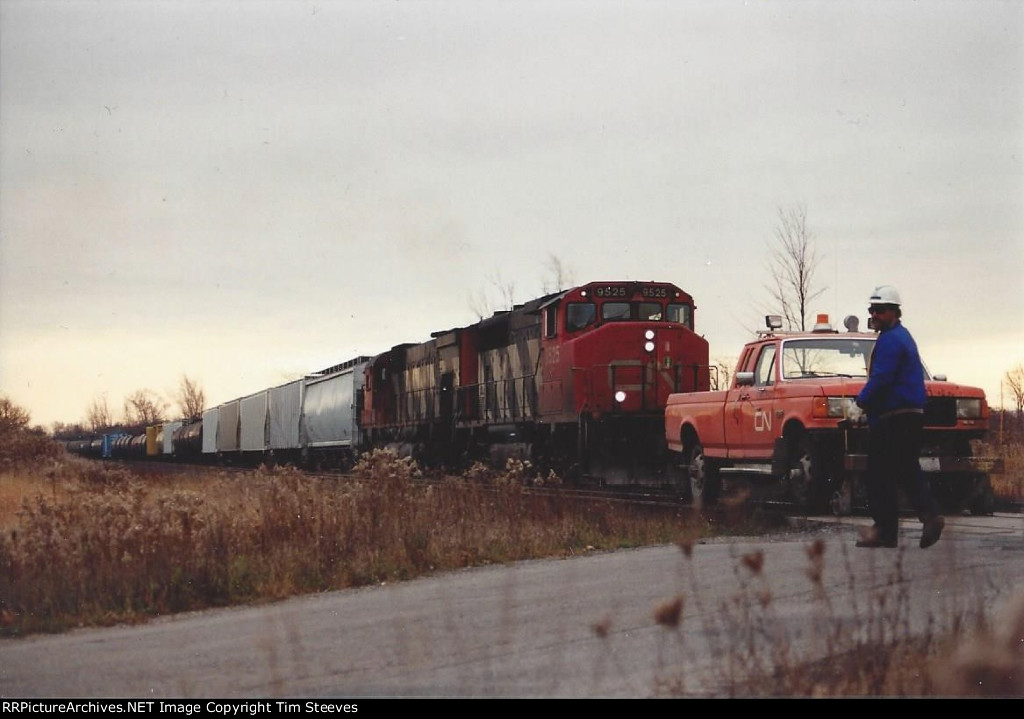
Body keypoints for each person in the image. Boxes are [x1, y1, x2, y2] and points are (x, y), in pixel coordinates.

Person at [854, 285, 945, 549]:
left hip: (895, 416)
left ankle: (889, 529)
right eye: (872, 310)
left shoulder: (891, 339)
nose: (874, 314)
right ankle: (915, 521)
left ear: (894, 312)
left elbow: (881, 378)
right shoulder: (900, 336)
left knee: (879, 474)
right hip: (906, 415)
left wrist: (860, 404)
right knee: (903, 468)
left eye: (880, 310)